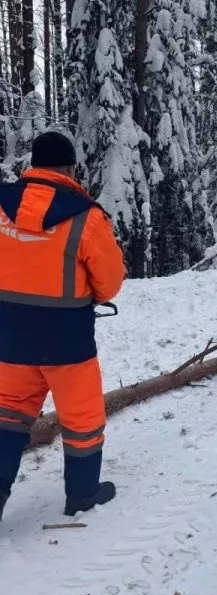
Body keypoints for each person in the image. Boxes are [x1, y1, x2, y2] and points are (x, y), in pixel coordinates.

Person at [0, 131, 126, 521]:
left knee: (7, 415)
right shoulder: (86, 217)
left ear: (32, 166)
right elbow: (110, 283)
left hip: (9, 338)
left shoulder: (2, 207)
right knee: (82, 419)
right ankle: (83, 495)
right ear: (70, 169)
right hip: (68, 342)